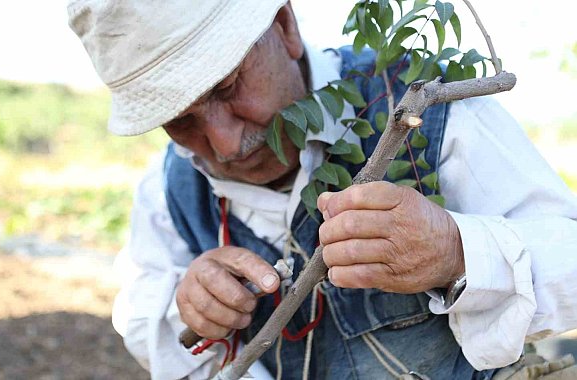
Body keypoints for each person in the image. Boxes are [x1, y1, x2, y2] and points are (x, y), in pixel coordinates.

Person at [68, 1, 577, 379]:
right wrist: (189, 308)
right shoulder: (170, 189)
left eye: (228, 88)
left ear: (285, 27)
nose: (225, 143)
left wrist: (455, 253)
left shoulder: (424, 105)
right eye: (180, 122)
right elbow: (139, 308)